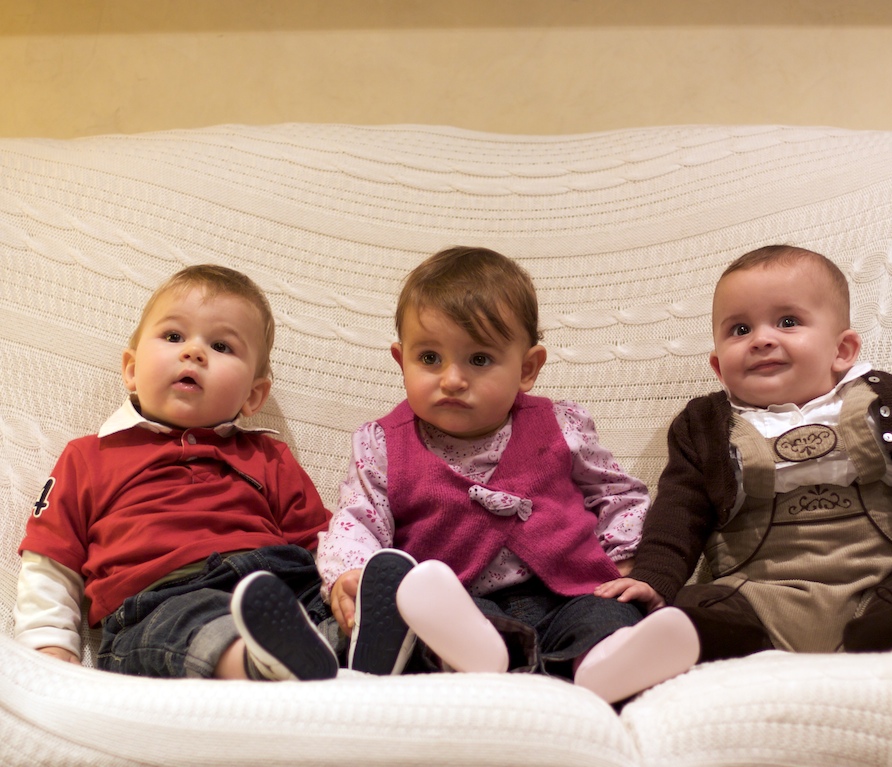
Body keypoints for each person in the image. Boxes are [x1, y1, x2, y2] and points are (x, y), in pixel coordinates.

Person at [316, 246, 698, 703]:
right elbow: (357, 519)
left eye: (479, 360)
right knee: (426, 620)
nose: (452, 379)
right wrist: (351, 573)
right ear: (401, 360)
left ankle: (606, 664)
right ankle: (477, 658)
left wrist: (623, 559)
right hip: (458, 600)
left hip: (568, 591)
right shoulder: (381, 444)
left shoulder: (561, 425)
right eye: (430, 358)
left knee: (604, 618)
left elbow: (618, 493)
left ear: (528, 368)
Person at [598, 244, 892, 661]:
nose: (761, 339)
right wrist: (654, 578)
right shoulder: (705, 425)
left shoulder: (878, 400)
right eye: (739, 330)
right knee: (692, 608)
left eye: (788, 321)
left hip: (880, 587)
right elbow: (679, 511)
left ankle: (879, 641)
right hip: (753, 598)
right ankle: (703, 642)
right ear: (719, 366)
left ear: (843, 351)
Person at [14, 265, 340, 681]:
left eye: (221, 346)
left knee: (329, 608)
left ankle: (368, 646)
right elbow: (51, 558)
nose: (194, 352)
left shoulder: (269, 456)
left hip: (278, 585)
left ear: (253, 395)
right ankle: (255, 664)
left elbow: (320, 545)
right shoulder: (89, 455)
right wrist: (48, 644)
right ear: (131, 370)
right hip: (162, 598)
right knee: (188, 628)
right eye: (173, 337)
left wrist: (346, 587)